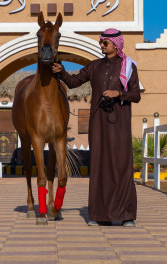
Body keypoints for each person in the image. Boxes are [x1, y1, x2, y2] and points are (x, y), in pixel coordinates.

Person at [51, 28, 141, 227]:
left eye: (105, 43)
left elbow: (136, 95)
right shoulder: (94, 67)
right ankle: (101, 215)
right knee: (100, 166)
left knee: (121, 166)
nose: (101, 45)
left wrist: (119, 94)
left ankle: (126, 215)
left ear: (116, 45)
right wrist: (62, 72)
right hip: (98, 123)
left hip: (120, 125)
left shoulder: (128, 67)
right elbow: (74, 82)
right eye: (100, 42)